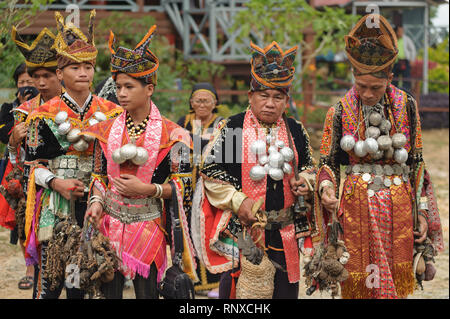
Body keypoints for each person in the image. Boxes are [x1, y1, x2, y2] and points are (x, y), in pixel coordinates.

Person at [316, 14, 444, 299]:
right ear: (353, 76)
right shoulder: (338, 110)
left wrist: (421, 213)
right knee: (358, 282)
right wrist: (325, 188)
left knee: (393, 285)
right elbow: (327, 162)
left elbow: (417, 164)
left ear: (390, 76)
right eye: (361, 87)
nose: (368, 93)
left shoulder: (407, 106)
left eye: (376, 87)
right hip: (355, 207)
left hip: (399, 207)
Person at [193, 41, 316, 299]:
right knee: (241, 294)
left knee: (285, 291)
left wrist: (305, 180)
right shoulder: (234, 128)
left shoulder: (295, 129)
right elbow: (211, 171)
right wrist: (240, 200)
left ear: (286, 101)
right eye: (264, 95)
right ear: (251, 96)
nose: (270, 103)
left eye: (277, 97)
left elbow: (308, 165)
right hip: (244, 233)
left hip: (285, 232)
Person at [83, 25, 198, 299]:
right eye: (118, 86)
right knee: (109, 292)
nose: (121, 93)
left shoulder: (175, 135)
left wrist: (149, 190)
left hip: (148, 224)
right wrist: (96, 203)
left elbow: (185, 184)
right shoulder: (105, 130)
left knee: (147, 295)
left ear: (149, 88)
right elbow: (98, 176)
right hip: (109, 223)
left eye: (128, 87)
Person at [23, 10, 122, 299]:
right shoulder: (43, 114)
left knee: (79, 279)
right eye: (75, 67)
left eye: (89, 66)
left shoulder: (112, 113)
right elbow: (33, 166)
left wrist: (96, 194)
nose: (83, 73)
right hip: (56, 205)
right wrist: (56, 183)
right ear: (59, 73)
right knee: (51, 281)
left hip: (97, 204)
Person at [177, 83, 223, 298]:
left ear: (215, 103)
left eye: (207, 100)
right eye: (198, 100)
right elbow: (175, 153)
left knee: (208, 229)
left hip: (210, 188)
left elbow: (228, 155)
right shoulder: (183, 123)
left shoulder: (223, 124)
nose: (202, 104)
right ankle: (190, 280)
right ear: (191, 102)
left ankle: (214, 282)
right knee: (186, 230)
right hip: (186, 187)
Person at [0, 61, 38, 290]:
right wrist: (22, 111)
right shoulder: (9, 108)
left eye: (30, 82)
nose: (26, 86)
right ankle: (30, 267)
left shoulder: (48, 105)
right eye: (22, 82)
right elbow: (4, 136)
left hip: (42, 169)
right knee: (22, 219)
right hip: (17, 170)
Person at [392, 25, 416, 91]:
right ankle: (393, 91)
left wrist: (412, 60)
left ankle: (406, 91)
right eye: (400, 31)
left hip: (404, 61)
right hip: (394, 62)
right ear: (396, 32)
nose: (402, 32)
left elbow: (412, 49)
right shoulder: (392, 40)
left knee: (406, 78)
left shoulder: (406, 39)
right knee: (394, 78)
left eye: (402, 31)